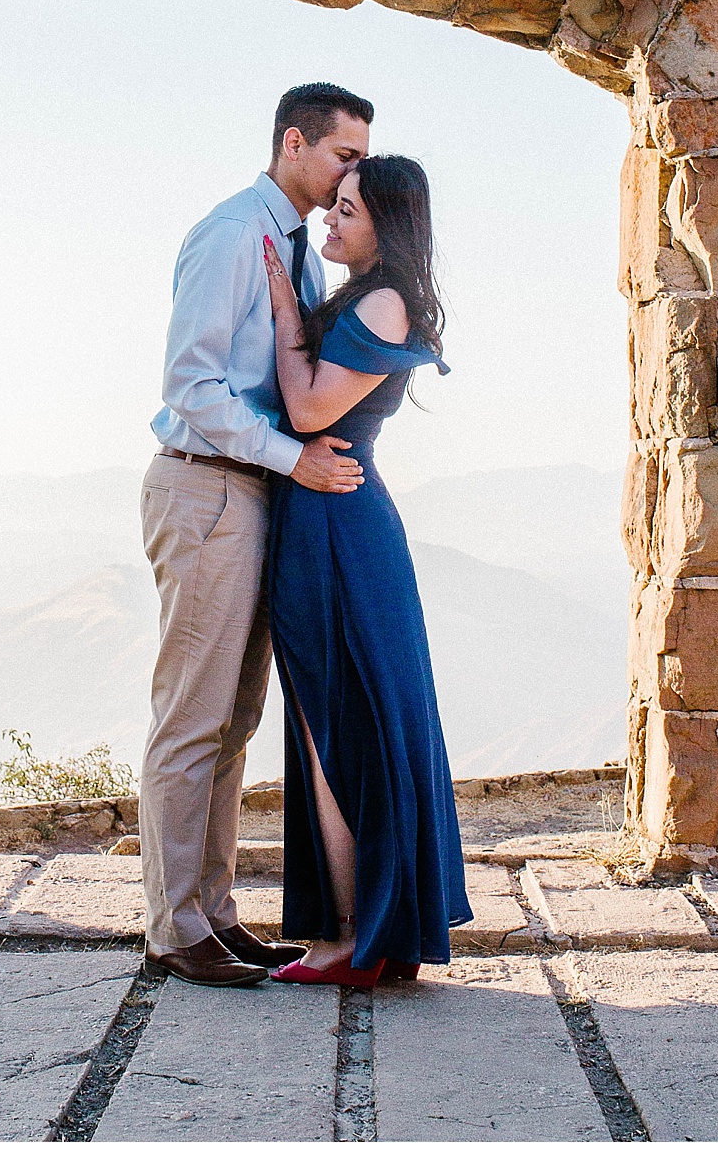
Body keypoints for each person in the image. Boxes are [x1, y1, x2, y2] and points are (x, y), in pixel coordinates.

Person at [139, 82, 375, 988]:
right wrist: (293, 455)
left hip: (256, 495)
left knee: (234, 721)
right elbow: (190, 385)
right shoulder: (236, 232)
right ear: (294, 142)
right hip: (206, 490)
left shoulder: (296, 252)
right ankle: (172, 928)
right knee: (192, 716)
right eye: (343, 154)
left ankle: (215, 915)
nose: (354, 170)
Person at [260, 154, 471, 987]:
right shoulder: (367, 294)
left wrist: (284, 308)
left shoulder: (381, 296)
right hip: (330, 513)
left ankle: (352, 937)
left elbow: (311, 407)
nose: (330, 220)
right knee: (338, 718)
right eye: (332, 205)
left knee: (333, 723)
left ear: (385, 222)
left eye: (347, 209)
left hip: (339, 522)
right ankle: (365, 929)